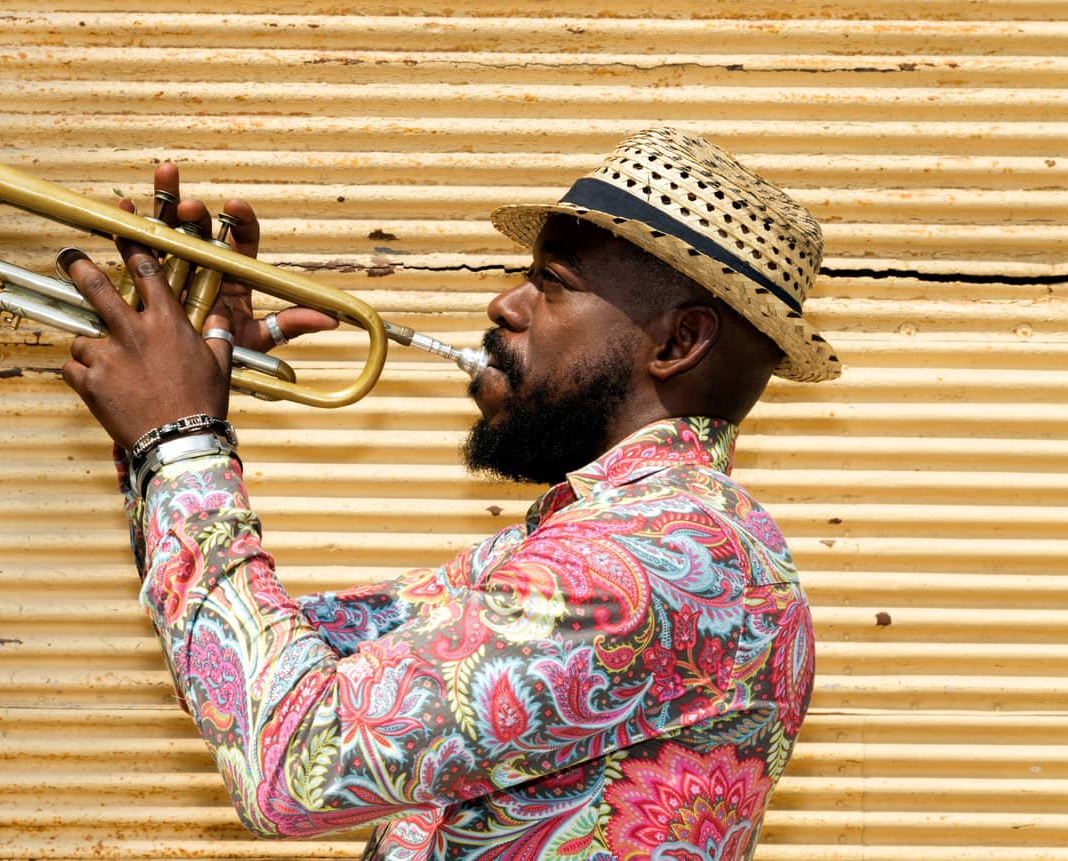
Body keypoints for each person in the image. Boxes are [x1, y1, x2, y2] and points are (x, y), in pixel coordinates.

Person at [57, 127, 841, 861]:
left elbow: (291, 756)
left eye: (552, 282)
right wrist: (170, 417)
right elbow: (283, 663)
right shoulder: (622, 537)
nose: (505, 306)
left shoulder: (652, 563)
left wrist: (182, 441)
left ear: (675, 343)